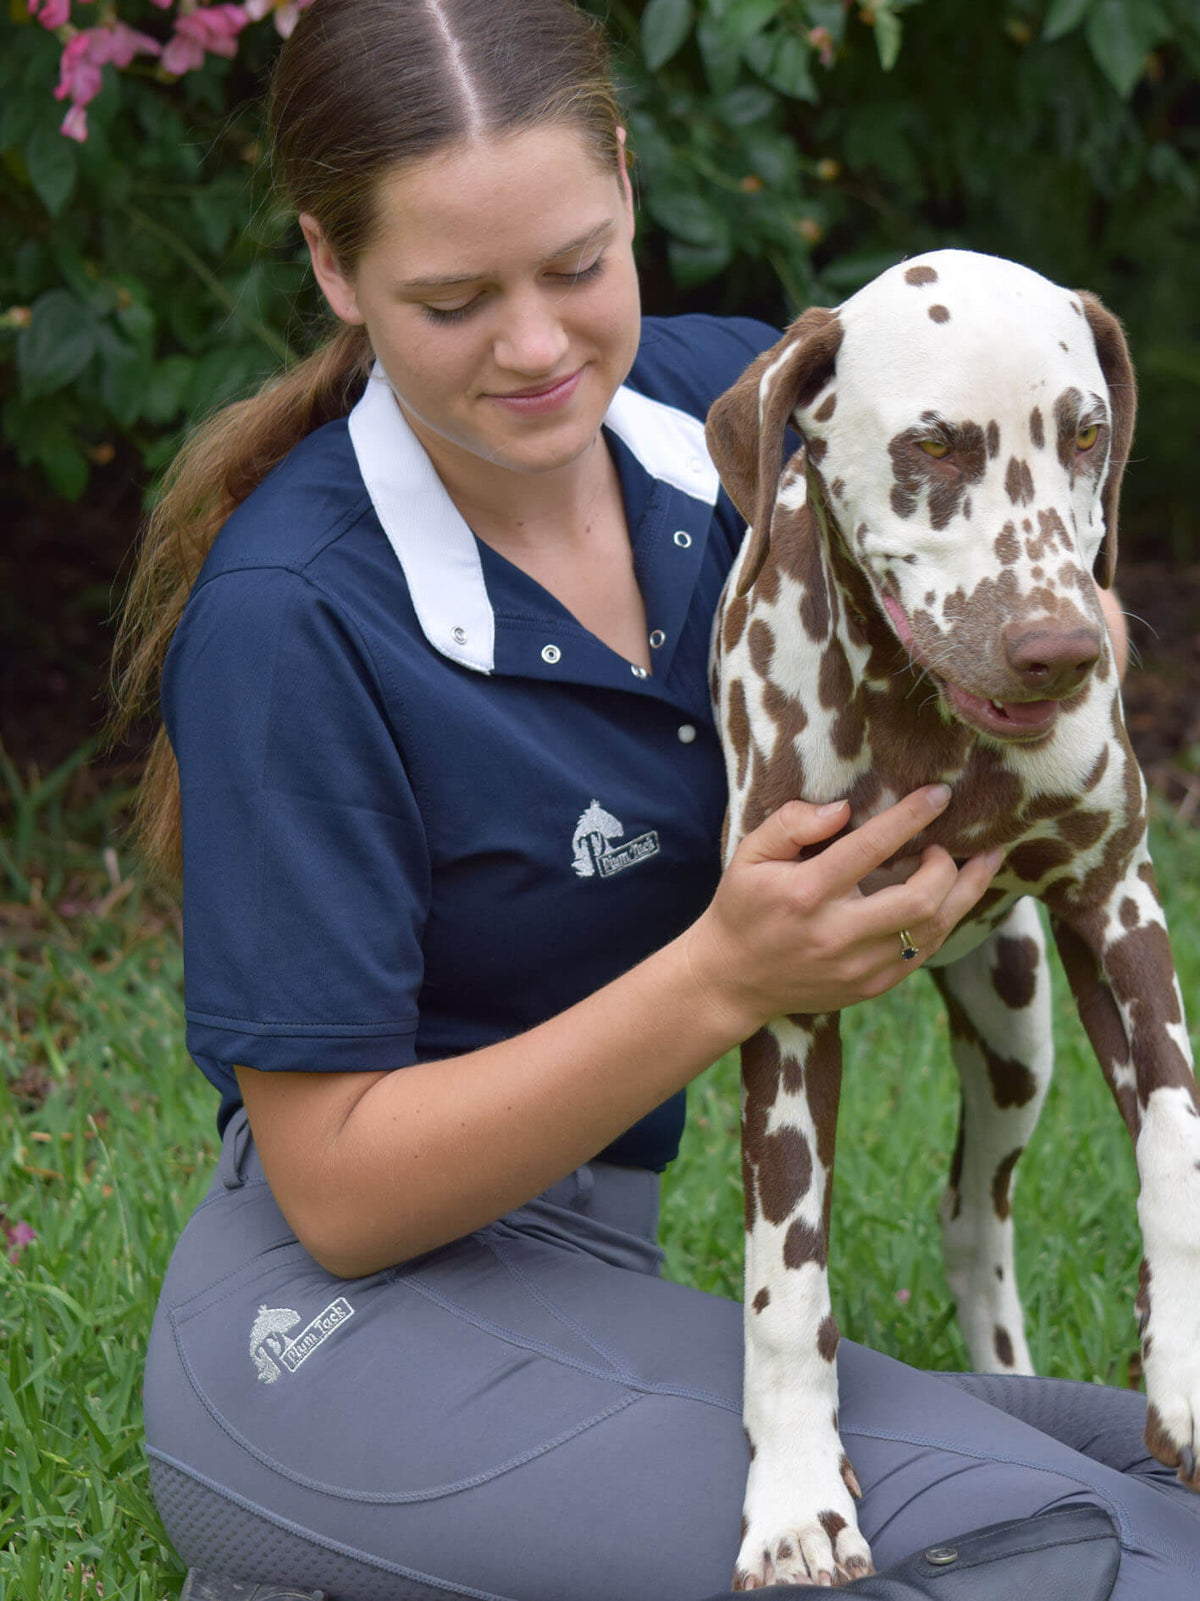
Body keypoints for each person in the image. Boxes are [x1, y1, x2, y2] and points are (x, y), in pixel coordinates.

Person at [110, 2, 1195, 1597]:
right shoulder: (295, 616)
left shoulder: (735, 426)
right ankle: (335, 1526)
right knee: (1077, 1551)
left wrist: (1045, 623)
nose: (537, 344)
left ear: (627, 186)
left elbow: (988, 520)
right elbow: (334, 1192)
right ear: (337, 274)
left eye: (576, 263)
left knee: (1127, 1468)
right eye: (454, 297)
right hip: (336, 1323)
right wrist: (727, 976)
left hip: (593, 1281)